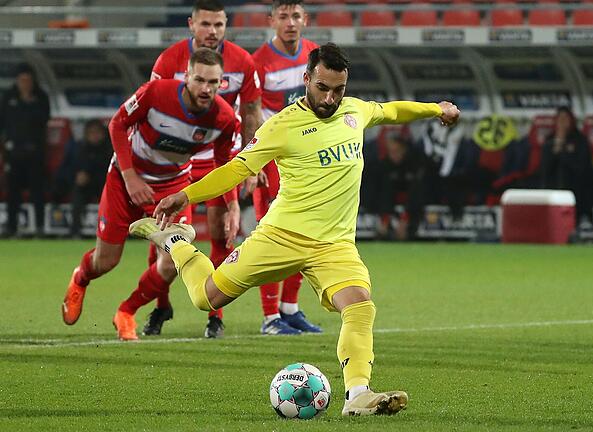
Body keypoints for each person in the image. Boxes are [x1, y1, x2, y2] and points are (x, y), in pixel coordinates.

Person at [129, 43, 460, 416]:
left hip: (335, 245)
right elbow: (237, 169)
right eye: (323, 88)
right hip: (281, 237)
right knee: (207, 298)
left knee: (361, 307)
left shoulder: (355, 111)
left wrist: (437, 109)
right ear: (306, 80)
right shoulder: (282, 126)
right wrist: (183, 196)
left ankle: (358, 396)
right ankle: (178, 242)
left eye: (339, 89)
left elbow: (393, 111)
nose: (331, 97)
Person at [61, 48, 237, 341]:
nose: (206, 89)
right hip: (125, 179)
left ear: (222, 83)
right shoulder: (155, 92)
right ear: (186, 77)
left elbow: (223, 164)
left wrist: (231, 204)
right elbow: (117, 123)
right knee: (106, 261)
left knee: (171, 262)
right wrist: (130, 177)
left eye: (214, 83)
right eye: (200, 80)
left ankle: (126, 311)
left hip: (172, 188)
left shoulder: (224, 119)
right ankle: (81, 277)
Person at [149, 0, 263, 338]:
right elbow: (152, 108)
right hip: (174, 163)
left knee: (222, 234)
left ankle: (216, 315)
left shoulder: (243, 62)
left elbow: (252, 113)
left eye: (219, 25)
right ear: (191, 24)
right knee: (163, 239)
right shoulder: (168, 60)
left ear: (226, 25)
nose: (212, 32)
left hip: (220, 161)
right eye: (205, 24)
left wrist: (251, 163)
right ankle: (160, 306)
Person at [248, 0, 322, 335]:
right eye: (283, 16)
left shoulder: (315, 54)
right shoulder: (258, 63)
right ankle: (269, 317)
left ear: (305, 19)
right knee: (273, 234)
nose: (290, 22)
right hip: (273, 157)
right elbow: (248, 114)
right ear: (271, 21)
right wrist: (254, 160)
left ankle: (289, 308)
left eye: (296, 16)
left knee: (305, 229)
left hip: (306, 156)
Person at [0, 64, 50, 237]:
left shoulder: (41, 97)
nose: (25, 84)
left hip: (35, 152)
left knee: (37, 191)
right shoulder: (9, 97)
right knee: (12, 192)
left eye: (28, 80)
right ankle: (11, 227)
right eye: (22, 80)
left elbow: (44, 120)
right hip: (13, 152)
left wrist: (29, 103)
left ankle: (40, 227)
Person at [539, 106, 593, 229]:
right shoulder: (550, 140)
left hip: (576, 182)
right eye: (560, 119)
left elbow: (582, 167)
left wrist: (565, 154)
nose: (563, 123)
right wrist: (558, 145)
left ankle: (583, 218)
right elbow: (545, 168)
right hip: (552, 183)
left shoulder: (580, 139)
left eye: (565, 119)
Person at [377, 136, 428, 240]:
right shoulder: (384, 165)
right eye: (391, 152)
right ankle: (384, 222)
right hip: (389, 202)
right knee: (384, 188)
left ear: (403, 150)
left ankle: (406, 224)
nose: (394, 155)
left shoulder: (412, 164)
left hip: (411, 205)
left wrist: (405, 218)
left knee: (417, 188)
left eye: (397, 151)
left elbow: (417, 193)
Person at [69, 120, 112, 238]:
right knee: (78, 191)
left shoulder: (109, 149)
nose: (95, 136)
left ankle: (111, 232)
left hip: (105, 184)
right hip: (87, 185)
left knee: (112, 195)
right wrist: (79, 175)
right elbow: (74, 168)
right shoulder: (81, 148)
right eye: (91, 133)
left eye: (97, 132)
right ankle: (75, 231)